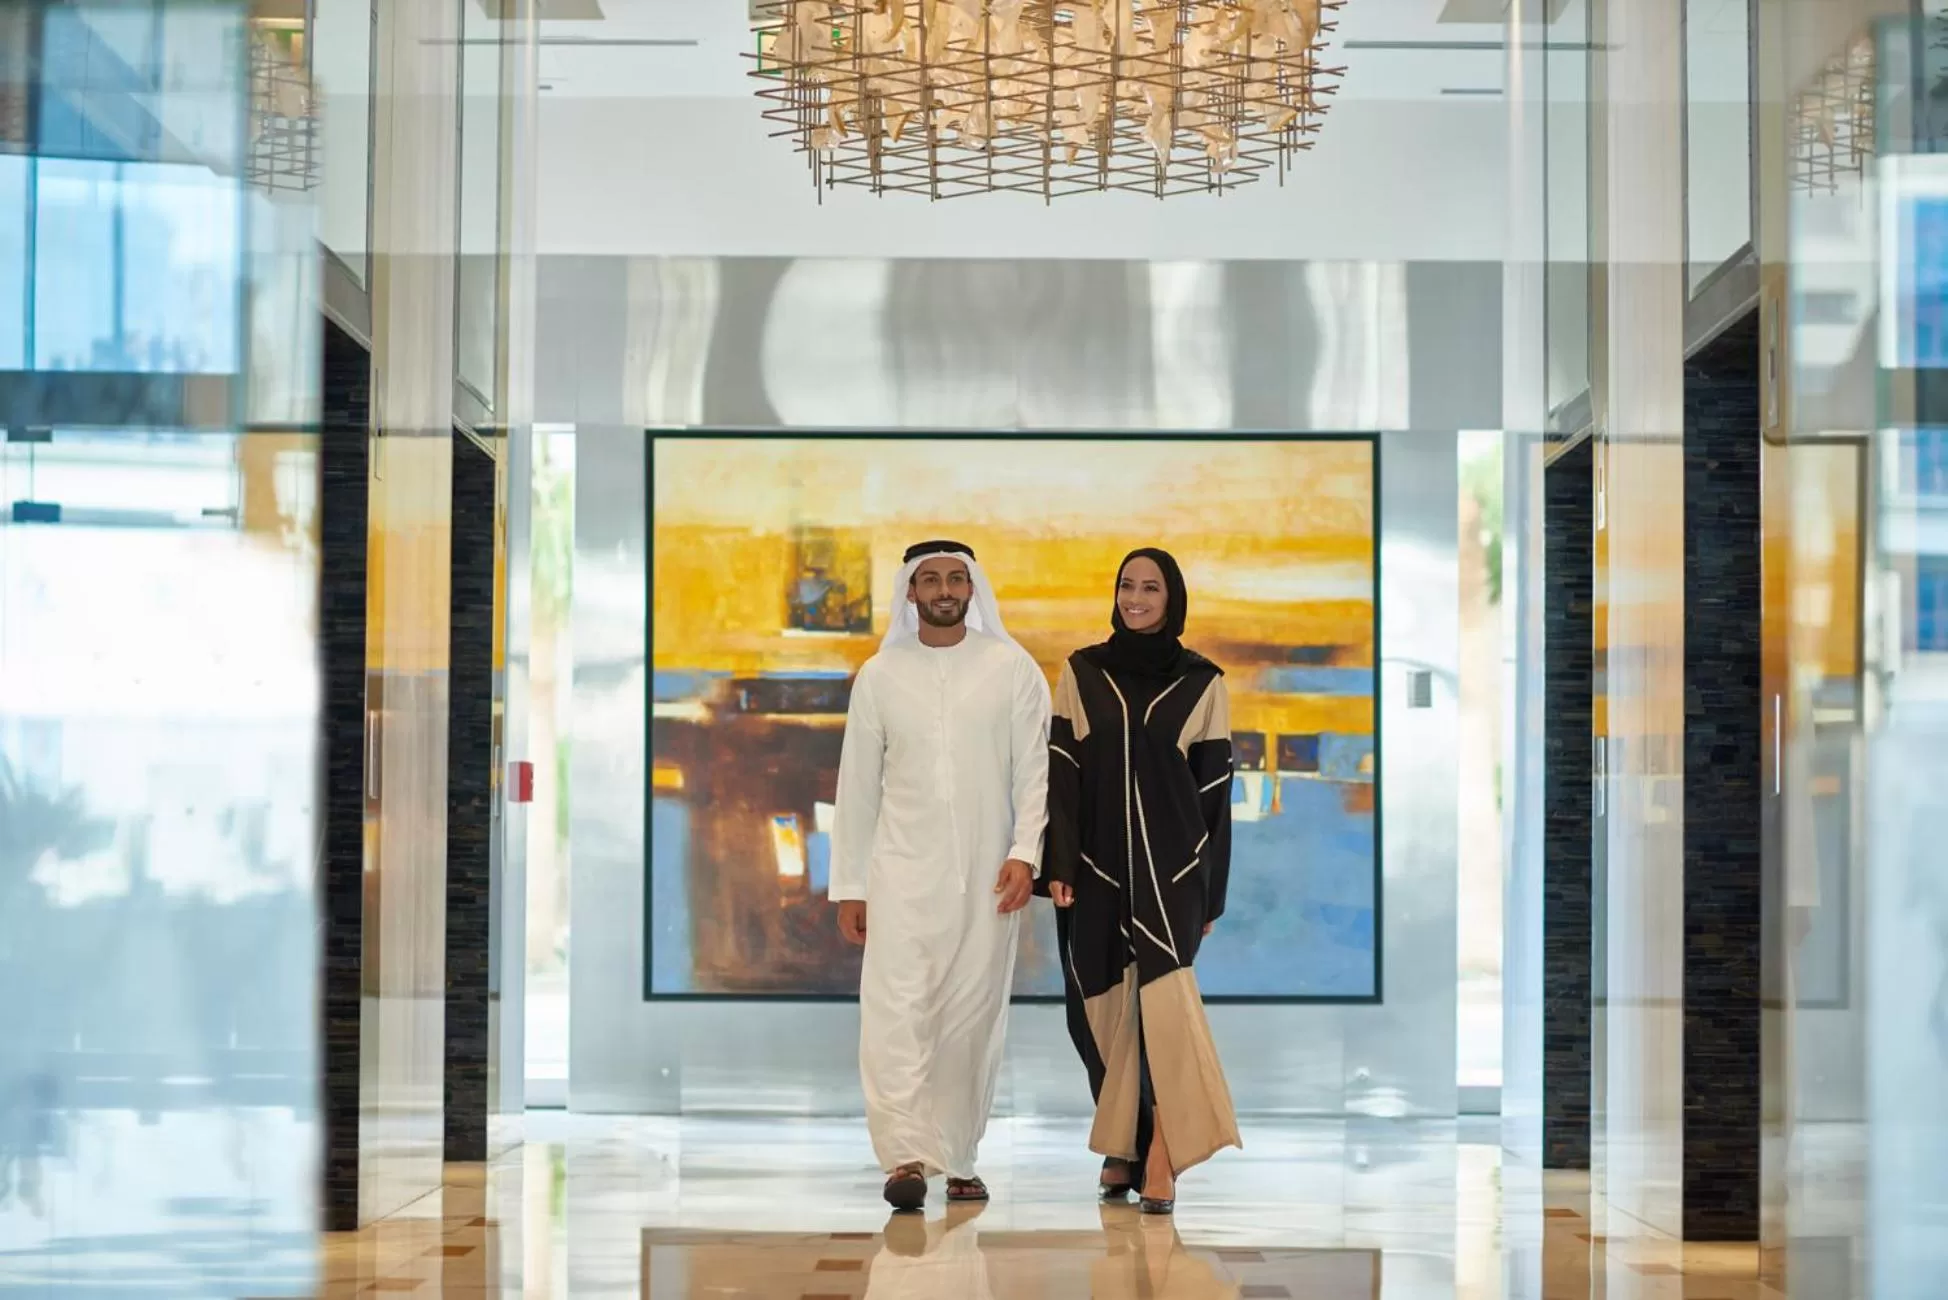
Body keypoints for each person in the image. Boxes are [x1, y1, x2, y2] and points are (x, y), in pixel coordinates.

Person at [830, 539, 1052, 1211]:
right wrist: (851, 886)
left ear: (973, 588)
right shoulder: (880, 674)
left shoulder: (1011, 668)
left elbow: (1035, 772)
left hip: (988, 878)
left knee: (969, 1016)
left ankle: (958, 1156)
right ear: (911, 592)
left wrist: (1027, 852)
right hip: (899, 873)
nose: (945, 588)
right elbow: (858, 787)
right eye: (932, 579)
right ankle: (902, 1156)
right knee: (895, 1012)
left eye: (957, 578)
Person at [1041, 547, 1241, 1215]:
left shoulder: (1201, 682)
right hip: (1094, 868)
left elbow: (1214, 792)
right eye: (1127, 586)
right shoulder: (1084, 673)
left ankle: (1159, 1152)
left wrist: (1210, 890)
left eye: (1150, 588)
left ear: (1171, 598)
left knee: (1160, 1014)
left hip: (1171, 872)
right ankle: (1124, 1138)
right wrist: (1058, 863)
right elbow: (1062, 771)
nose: (1135, 598)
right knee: (1095, 1012)